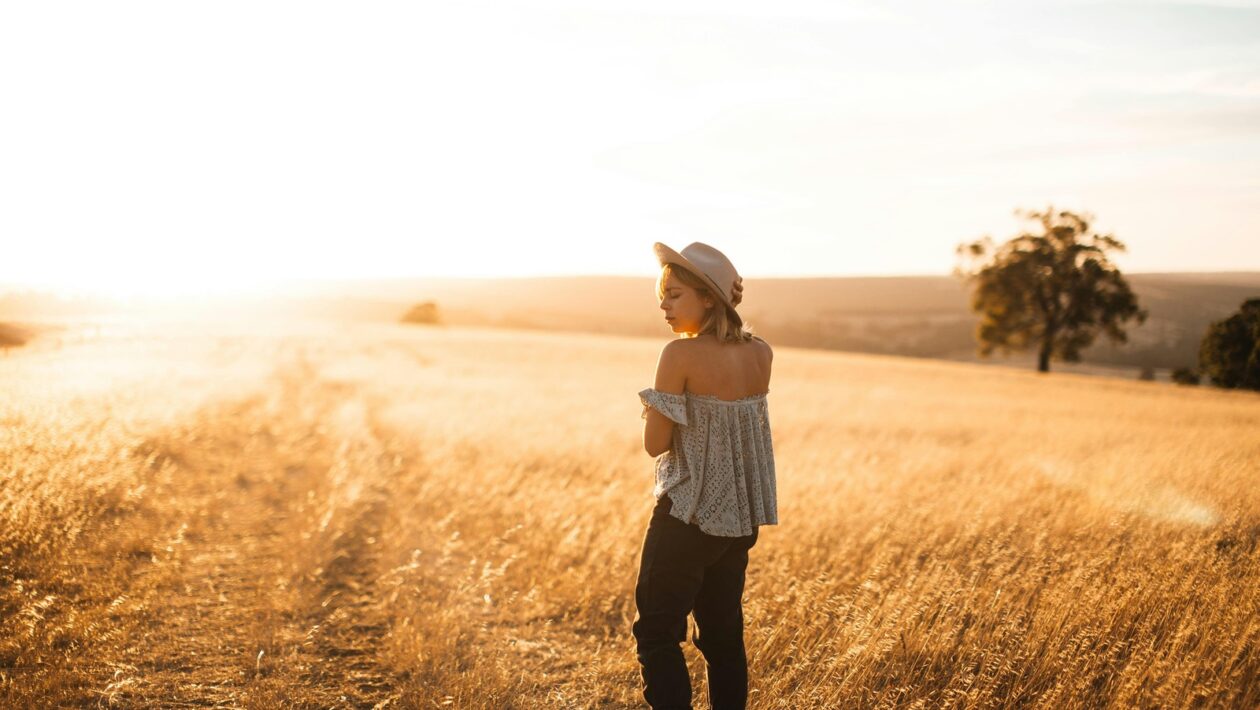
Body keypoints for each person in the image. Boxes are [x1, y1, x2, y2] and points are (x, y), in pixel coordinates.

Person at [634, 241, 778, 710]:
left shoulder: (678, 355)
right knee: (722, 640)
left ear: (709, 298)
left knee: (657, 632)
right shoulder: (761, 353)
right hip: (738, 524)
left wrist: (655, 410)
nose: (664, 305)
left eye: (674, 294)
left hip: (686, 517)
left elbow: (656, 445)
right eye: (664, 294)